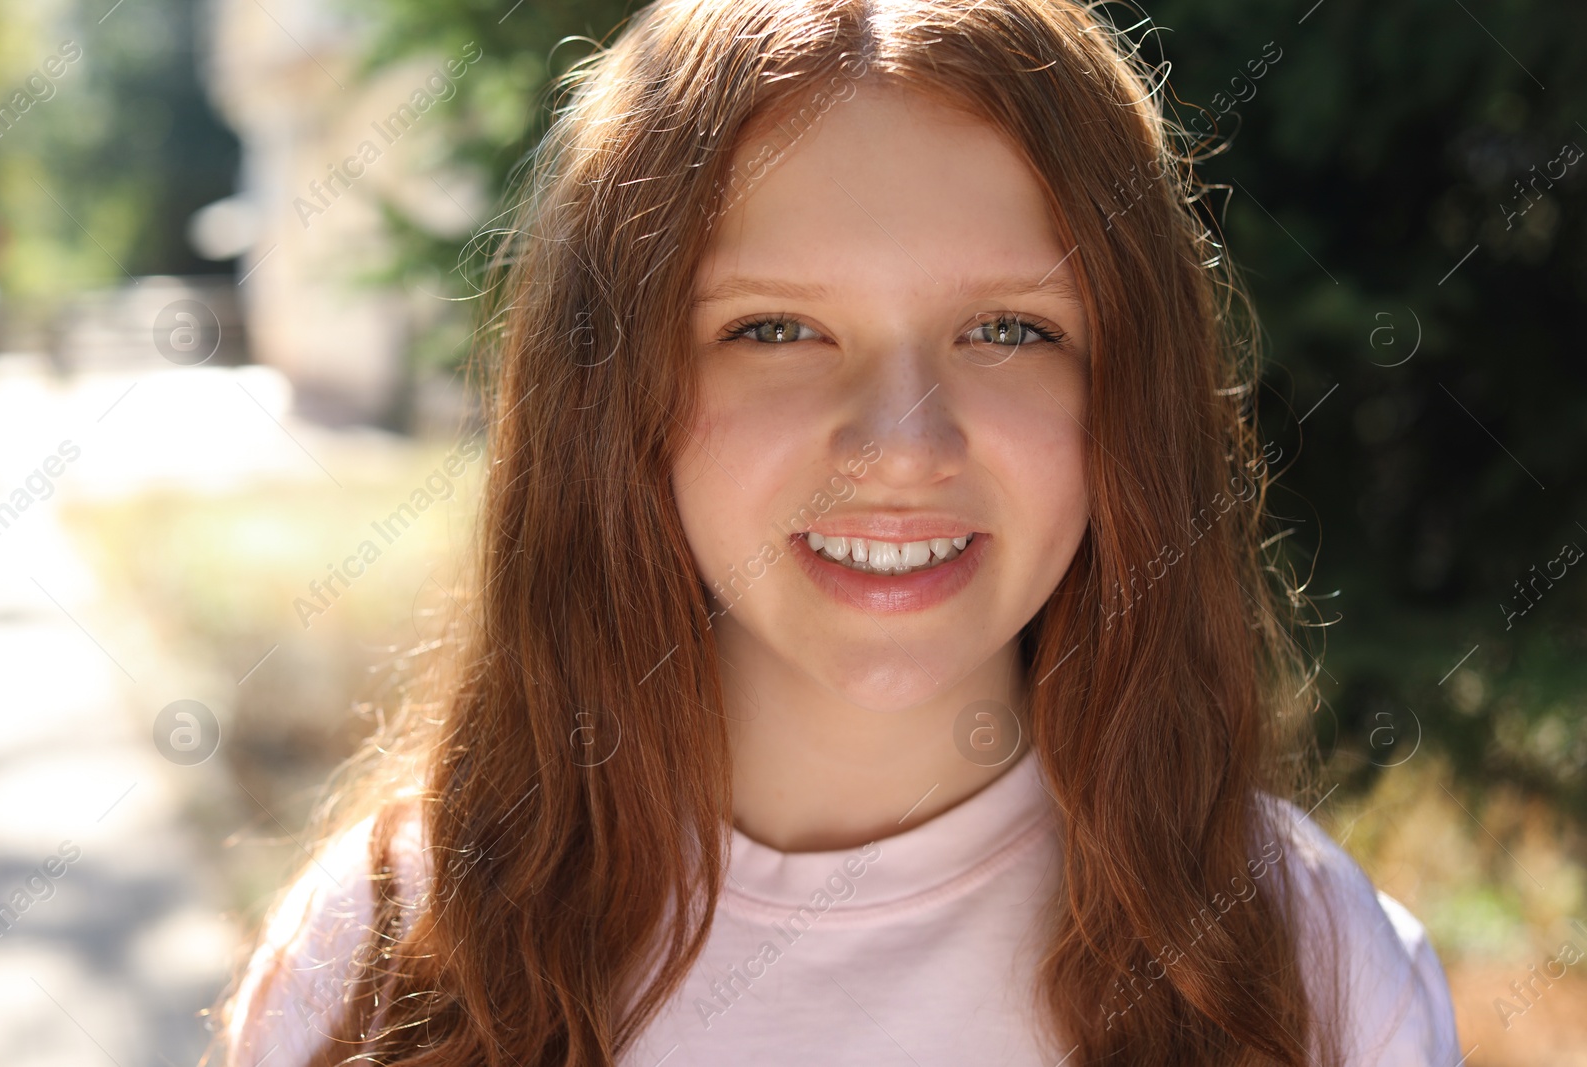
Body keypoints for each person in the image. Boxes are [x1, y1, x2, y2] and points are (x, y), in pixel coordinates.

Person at [215, 1, 1460, 1064]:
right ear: (611, 399)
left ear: (1126, 393)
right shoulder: (383, 963)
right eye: (774, 328)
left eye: (1010, 328)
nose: (904, 445)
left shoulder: (1312, 969)